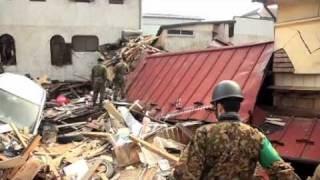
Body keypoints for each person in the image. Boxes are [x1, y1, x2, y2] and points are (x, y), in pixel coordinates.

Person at [174, 80, 300, 180]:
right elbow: (282, 171)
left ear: (220, 107)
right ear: (238, 106)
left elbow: (185, 175)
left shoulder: (204, 133)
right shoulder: (256, 136)